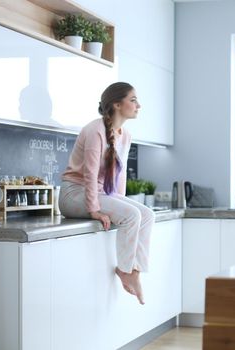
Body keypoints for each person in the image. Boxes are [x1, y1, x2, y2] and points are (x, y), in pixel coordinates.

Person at [59, 82, 154, 305]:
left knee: (148, 215)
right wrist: (94, 210)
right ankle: (124, 269)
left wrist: (118, 203)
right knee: (133, 216)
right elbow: (90, 175)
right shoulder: (95, 131)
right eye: (133, 100)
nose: (138, 105)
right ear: (116, 104)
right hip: (74, 195)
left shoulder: (125, 135)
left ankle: (134, 270)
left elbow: (119, 177)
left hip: (99, 194)